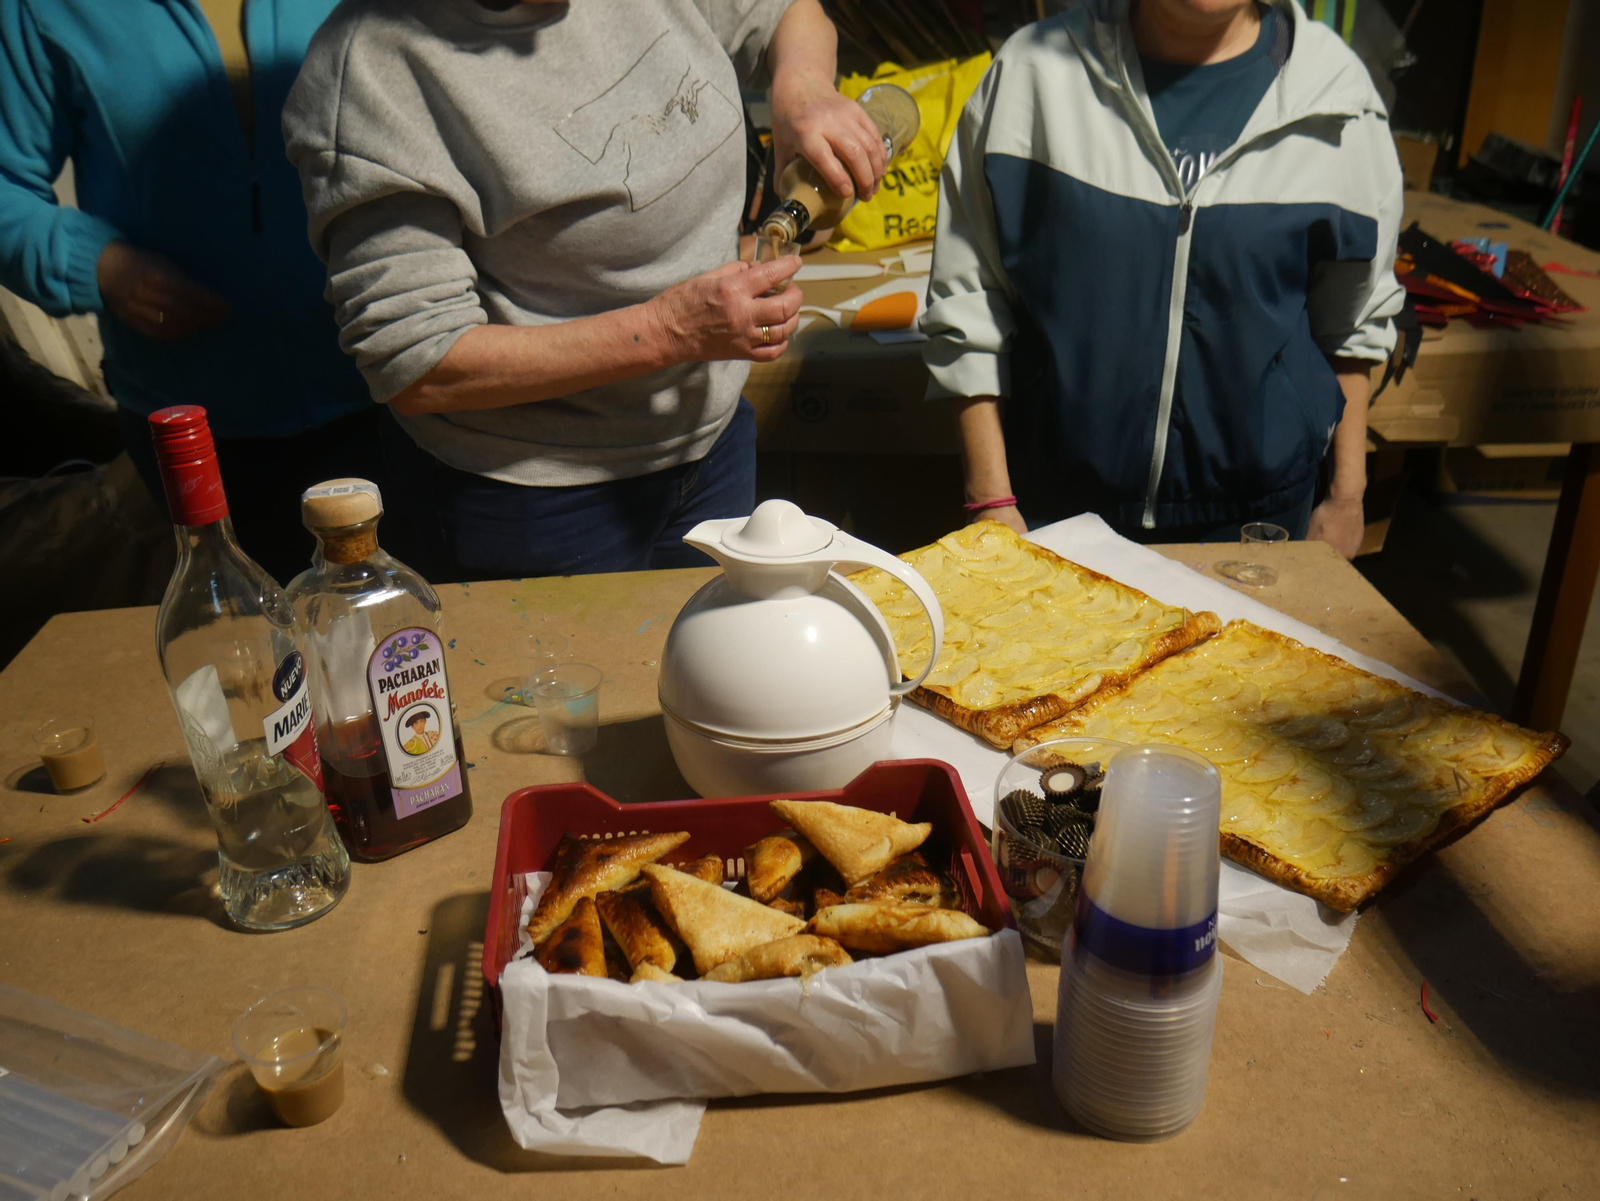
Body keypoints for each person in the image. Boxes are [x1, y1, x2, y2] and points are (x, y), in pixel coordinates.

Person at [283, 0, 884, 580]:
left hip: (710, 434)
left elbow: (787, 12)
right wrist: (670, 331)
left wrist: (803, 88)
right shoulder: (370, 72)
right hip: (536, 498)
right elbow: (418, 365)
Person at [923, 0, 1403, 557]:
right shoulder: (1032, 76)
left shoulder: (1335, 97)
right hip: (1054, 513)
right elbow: (970, 297)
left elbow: (1353, 322)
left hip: (1258, 529)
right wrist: (990, 500)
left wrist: (1347, 496)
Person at [0, 0, 382, 584]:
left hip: (389, 387)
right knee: (260, 629)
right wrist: (102, 266)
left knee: (401, 620)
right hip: (197, 425)